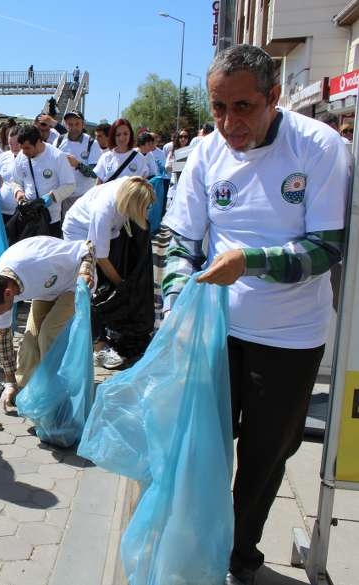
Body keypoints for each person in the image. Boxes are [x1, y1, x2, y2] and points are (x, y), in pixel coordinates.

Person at [161, 45, 350, 585]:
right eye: (218, 108)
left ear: (274, 97)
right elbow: (180, 242)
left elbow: (324, 250)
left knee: (266, 456)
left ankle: (238, 553)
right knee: (202, 449)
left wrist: (251, 261)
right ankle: (198, 544)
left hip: (289, 338)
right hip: (216, 332)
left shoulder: (318, 147)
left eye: (242, 107)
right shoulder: (204, 154)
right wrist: (177, 302)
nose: (228, 123)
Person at [0, 236, 95, 409]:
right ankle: (23, 390)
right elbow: (3, 339)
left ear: (8, 294)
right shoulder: (1, 287)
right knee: (30, 341)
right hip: (46, 290)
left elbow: (87, 248)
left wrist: (85, 273)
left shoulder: (37, 262)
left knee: (48, 334)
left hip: (73, 283)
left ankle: (58, 396)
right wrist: (10, 382)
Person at [63, 176, 156, 369]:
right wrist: (121, 284)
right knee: (91, 284)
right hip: (79, 232)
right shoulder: (103, 211)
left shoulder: (133, 184)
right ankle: (98, 347)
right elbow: (101, 258)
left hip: (107, 229)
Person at [12, 124, 76, 236]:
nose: (24, 152)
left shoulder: (57, 156)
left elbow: (70, 185)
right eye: (22, 148)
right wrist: (19, 193)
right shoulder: (21, 157)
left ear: (38, 142)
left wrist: (52, 196)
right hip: (28, 218)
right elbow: (15, 181)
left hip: (50, 219)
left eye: (27, 148)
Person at [56, 110, 103, 212]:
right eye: (70, 124)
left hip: (84, 197)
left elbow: (94, 174)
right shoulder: (59, 141)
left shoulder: (91, 143)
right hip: (62, 198)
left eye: (77, 124)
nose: (73, 127)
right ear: (65, 124)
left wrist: (77, 164)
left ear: (83, 124)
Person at [94, 119, 148, 184]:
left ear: (130, 135)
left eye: (125, 134)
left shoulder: (139, 158)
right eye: (118, 135)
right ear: (113, 136)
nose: (122, 138)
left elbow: (143, 186)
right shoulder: (105, 157)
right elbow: (98, 185)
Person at [0, 125, 22, 224]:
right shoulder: (2, 157)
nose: (14, 147)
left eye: (17, 143)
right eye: (10, 144)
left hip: (21, 214)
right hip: (1, 213)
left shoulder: (30, 158)